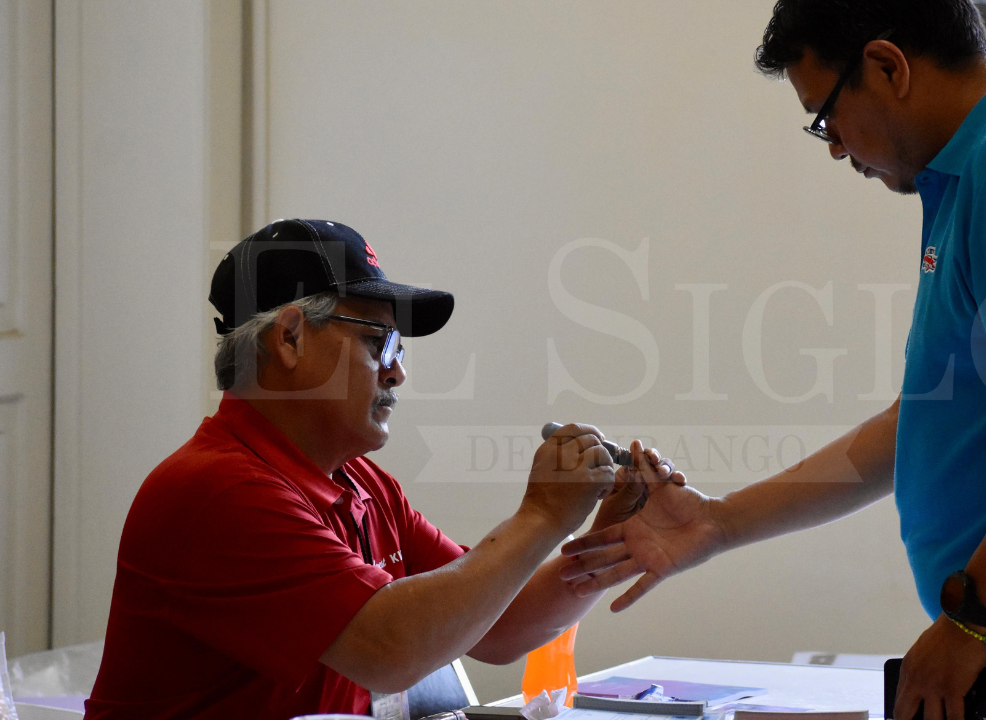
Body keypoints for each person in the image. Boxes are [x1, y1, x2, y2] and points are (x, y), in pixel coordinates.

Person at [561, 2, 986, 718]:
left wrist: (971, 619)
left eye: (827, 117)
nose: (835, 147)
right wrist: (718, 523)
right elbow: (927, 426)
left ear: (887, 66)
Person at [85, 219, 682, 720]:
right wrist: (543, 517)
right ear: (290, 338)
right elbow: (390, 650)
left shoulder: (361, 485)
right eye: (381, 343)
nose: (398, 372)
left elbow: (497, 627)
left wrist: (610, 536)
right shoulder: (215, 493)